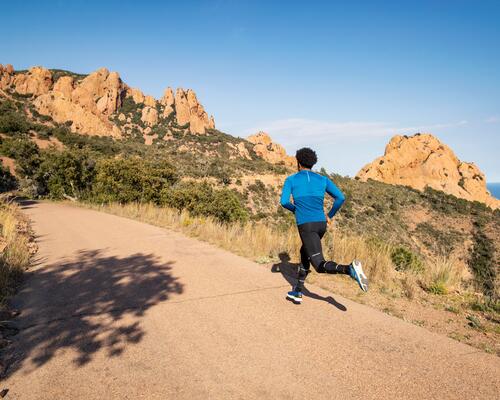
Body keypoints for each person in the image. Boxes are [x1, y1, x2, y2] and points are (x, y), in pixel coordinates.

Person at [280, 147, 368, 304]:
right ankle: (298, 291)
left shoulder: (291, 180)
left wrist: (296, 209)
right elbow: (340, 198)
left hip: (306, 225)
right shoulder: (323, 180)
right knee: (304, 252)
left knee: (319, 265)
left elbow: (284, 202)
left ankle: (349, 269)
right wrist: (329, 215)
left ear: (298, 162)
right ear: (312, 163)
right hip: (321, 224)